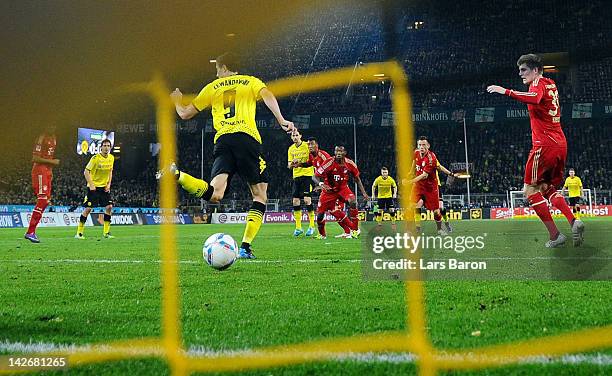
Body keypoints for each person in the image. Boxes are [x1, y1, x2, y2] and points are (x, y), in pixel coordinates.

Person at [160, 52, 295, 259]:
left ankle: (178, 174)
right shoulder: (250, 81)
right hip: (246, 138)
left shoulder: (212, 87)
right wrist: (281, 119)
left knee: (215, 194)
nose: (216, 75)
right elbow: (267, 95)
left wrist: (177, 100)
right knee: (259, 196)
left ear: (223, 68)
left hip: (223, 141)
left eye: (217, 70)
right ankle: (245, 247)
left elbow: (185, 114)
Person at [487, 53, 584, 247]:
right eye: (519, 70)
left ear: (536, 70)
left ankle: (555, 235)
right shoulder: (551, 83)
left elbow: (535, 97)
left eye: (524, 70)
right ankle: (574, 221)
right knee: (547, 188)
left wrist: (505, 91)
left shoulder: (537, 85)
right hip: (559, 144)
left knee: (530, 190)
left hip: (544, 145)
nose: (521, 74)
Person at [312, 145, 369, 239]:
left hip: (343, 188)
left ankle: (355, 230)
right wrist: (321, 184)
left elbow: (357, 179)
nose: (338, 153)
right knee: (320, 215)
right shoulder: (329, 162)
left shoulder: (350, 163)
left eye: (340, 151)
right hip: (329, 191)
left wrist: (364, 193)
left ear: (344, 153)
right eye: (336, 151)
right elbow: (314, 176)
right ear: (334, 152)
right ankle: (322, 235)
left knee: (353, 202)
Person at [24, 125, 59, 243]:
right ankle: (30, 232)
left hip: (47, 171)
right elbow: (35, 158)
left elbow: (49, 155)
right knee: (42, 200)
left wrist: (50, 171)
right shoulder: (41, 137)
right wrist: (52, 162)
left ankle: (31, 231)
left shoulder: (54, 137)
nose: (52, 126)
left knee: (46, 201)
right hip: (39, 170)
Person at [75, 139, 115, 239]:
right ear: (101, 147)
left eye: (108, 145)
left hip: (104, 188)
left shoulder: (111, 158)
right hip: (93, 188)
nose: (106, 147)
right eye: (104, 145)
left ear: (110, 147)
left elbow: (110, 171)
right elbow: (86, 171)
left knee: (109, 207)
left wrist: (109, 184)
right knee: (88, 209)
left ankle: (106, 233)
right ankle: (79, 233)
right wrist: (92, 184)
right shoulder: (95, 158)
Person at [408, 136, 446, 235]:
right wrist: (410, 172)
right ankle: (411, 230)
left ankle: (439, 229)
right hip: (418, 186)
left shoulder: (431, 158)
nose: (421, 147)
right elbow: (414, 162)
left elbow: (424, 176)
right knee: (411, 207)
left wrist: (410, 181)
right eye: (419, 145)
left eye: (424, 145)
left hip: (430, 187)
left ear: (428, 146)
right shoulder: (416, 153)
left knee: (437, 212)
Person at [287, 131, 315, 237]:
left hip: (307, 176)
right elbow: (288, 165)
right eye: (293, 136)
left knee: (307, 200)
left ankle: (312, 226)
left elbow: (313, 157)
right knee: (295, 201)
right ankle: (298, 227)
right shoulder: (291, 149)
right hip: (296, 176)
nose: (295, 137)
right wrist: (292, 164)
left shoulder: (306, 146)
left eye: (296, 135)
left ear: (300, 136)